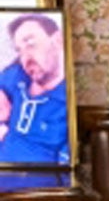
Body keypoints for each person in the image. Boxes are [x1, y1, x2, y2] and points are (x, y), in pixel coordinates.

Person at [0, 14, 68, 166]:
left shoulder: (67, 103)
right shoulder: (17, 75)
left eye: (31, 44)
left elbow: (61, 172)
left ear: (58, 40)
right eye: (19, 50)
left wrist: (5, 136)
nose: (25, 58)